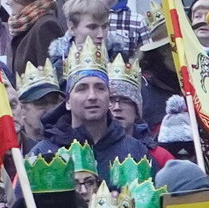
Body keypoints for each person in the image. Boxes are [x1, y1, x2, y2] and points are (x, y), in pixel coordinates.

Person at [31, 38, 153, 178]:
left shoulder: (135, 152)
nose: (92, 96)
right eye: (82, 89)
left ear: (109, 98)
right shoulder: (43, 155)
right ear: (68, 101)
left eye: (100, 88)